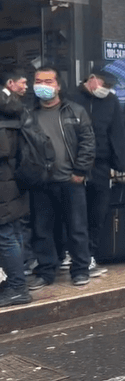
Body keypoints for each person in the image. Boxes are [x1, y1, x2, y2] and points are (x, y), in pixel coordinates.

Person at [26, 66, 95, 290]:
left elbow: (88, 142)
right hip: (41, 182)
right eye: (39, 81)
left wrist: (80, 172)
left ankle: (80, 269)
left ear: (58, 85)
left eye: (48, 82)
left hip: (70, 180)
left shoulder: (75, 111)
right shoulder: (29, 115)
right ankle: (46, 271)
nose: (43, 86)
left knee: (77, 229)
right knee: (42, 230)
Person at [68, 67, 125, 278]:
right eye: (105, 84)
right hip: (74, 165)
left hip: (101, 165)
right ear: (92, 79)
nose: (107, 89)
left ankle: (90, 255)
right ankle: (72, 254)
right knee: (75, 214)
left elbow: (118, 133)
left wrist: (122, 164)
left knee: (98, 212)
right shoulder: (72, 99)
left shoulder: (111, 102)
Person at [0, 71, 32, 307]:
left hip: (4, 183)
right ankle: (16, 282)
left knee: (5, 236)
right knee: (13, 232)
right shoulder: (15, 109)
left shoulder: (5, 110)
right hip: (14, 181)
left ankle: (18, 287)